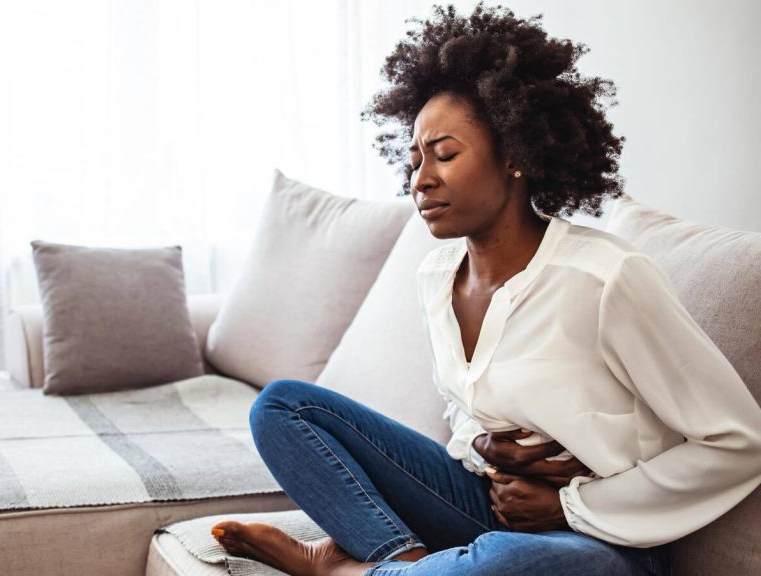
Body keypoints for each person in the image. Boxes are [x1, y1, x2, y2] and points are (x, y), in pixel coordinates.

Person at [208, 3, 761, 576]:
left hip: (603, 544)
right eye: (416, 157)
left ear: (516, 155)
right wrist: (480, 445)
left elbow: (737, 442)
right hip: (483, 504)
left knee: (505, 562)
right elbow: (461, 405)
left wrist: (571, 505)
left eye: (444, 154)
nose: (420, 179)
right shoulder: (437, 275)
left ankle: (343, 568)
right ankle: (406, 561)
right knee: (283, 406)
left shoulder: (605, 278)